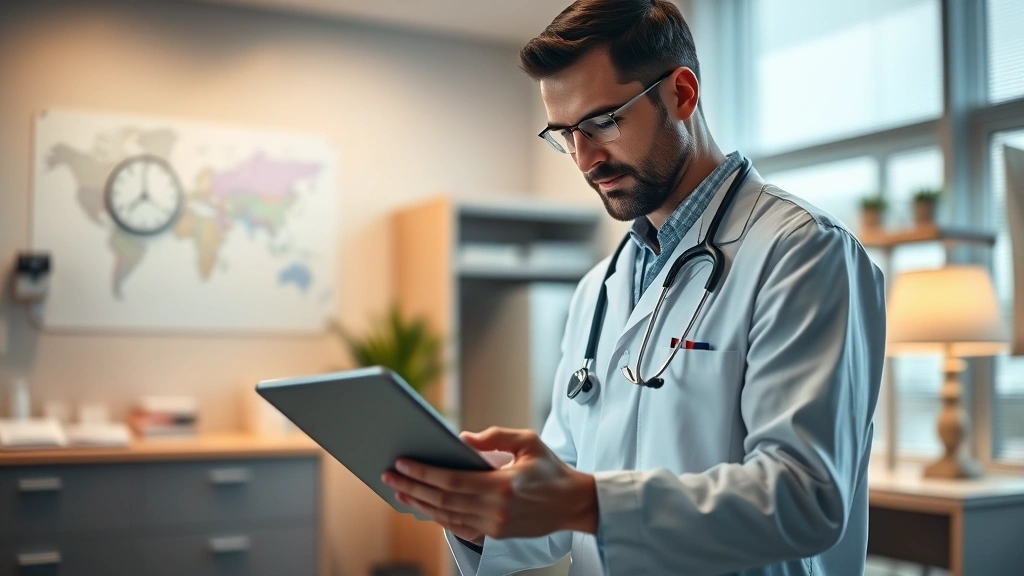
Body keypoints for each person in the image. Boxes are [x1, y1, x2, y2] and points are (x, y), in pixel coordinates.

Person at [381, 1, 886, 574]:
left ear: (682, 94)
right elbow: (569, 495)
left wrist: (582, 498)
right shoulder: (600, 288)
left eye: (601, 123)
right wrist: (483, 513)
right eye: (565, 134)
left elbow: (805, 500)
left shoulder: (803, 252)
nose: (585, 158)